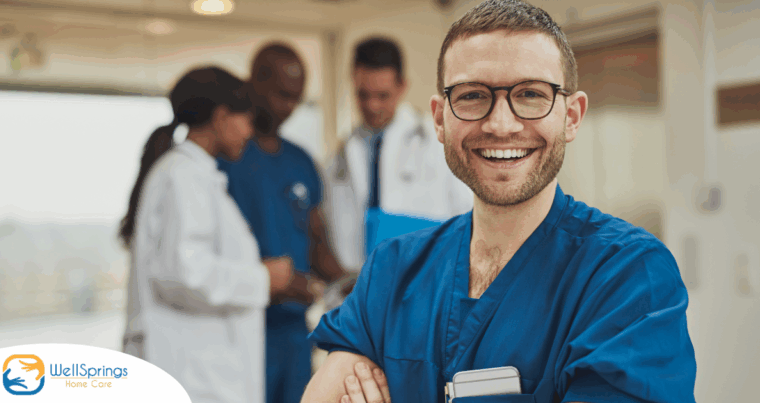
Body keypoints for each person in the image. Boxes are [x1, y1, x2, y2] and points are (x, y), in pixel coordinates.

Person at [302, 1, 698, 402]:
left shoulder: (628, 277)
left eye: (530, 94)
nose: (500, 124)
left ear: (572, 116)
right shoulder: (392, 271)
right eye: (473, 95)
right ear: (440, 119)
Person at [118, 66, 293, 403]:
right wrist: (262, 278)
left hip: (199, 370)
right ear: (221, 117)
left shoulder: (194, 176)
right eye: (245, 120)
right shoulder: (182, 178)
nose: (249, 132)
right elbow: (184, 274)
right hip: (189, 373)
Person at [217, 43, 348, 403]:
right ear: (254, 81)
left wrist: (352, 283)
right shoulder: (225, 157)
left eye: (296, 98)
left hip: (293, 333)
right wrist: (272, 281)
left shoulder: (301, 162)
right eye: (280, 94)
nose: (287, 107)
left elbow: (317, 242)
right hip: (237, 326)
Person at [325, 37, 472, 274]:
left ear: (402, 86)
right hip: (360, 285)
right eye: (363, 95)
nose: (372, 105)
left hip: (426, 279)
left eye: (382, 96)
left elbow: (470, 219)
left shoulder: (437, 143)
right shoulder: (341, 155)